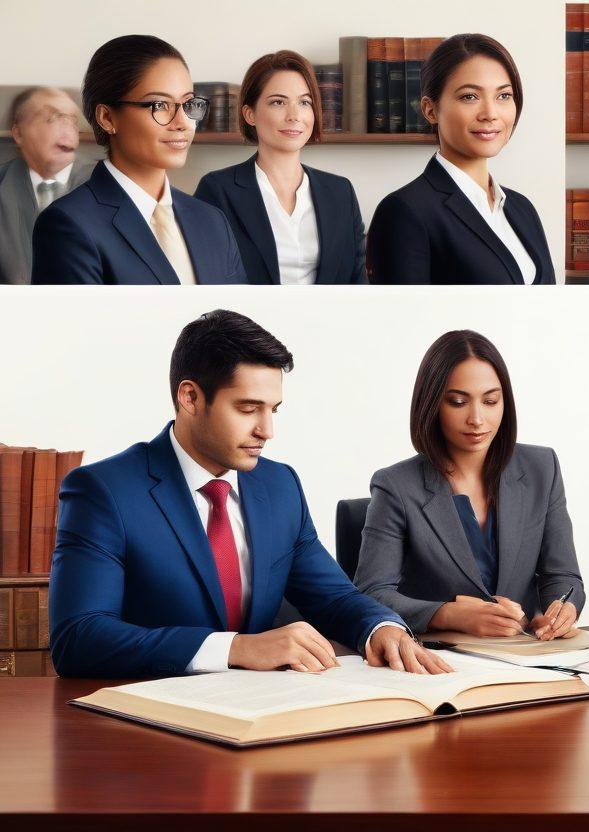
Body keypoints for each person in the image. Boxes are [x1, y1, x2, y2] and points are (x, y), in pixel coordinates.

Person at [49, 310, 451, 678]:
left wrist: (381, 628)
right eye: (247, 408)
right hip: (149, 725)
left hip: (260, 718)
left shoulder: (280, 487)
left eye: (273, 409)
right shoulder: (103, 492)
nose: (266, 430)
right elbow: (78, 638)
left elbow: (332, 597)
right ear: (190, 398)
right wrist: (236, 648)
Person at [355, 330, 584, 636]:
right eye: (458, 402)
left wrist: (559, 609)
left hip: (524, 657)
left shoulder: (542, 468)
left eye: (490, 401)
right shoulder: (395, 486)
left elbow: (562, 574)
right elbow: (371, 593)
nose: (477, 419)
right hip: (438, 659)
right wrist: (448, 615)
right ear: (432, 403)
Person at [30, 35, 245, 285]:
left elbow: (239, 320)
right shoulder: (69, 224)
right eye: (159, 104)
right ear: (107, 118)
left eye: (188, 103)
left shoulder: (212, 221)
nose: (182, 123)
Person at [366, 34, 554, 284]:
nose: (490, 113)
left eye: (503, 96)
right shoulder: (405, 211)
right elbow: (404, 320)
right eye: (470, 97)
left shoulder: (522, 208)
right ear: (430, 109)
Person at [195, 51, 366, 284]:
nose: (294, 116)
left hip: (328, 320)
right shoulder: (218, 190)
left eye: (304, 102)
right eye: (278, 102)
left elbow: (357, 285)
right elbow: (207, 281)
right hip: (248, 320)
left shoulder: (340, 192)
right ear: (250, 114)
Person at [0, 87, 94, 284]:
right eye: (53, 117)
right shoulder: (4, 182)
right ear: (18, 132)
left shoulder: (108, 185)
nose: (68, 127)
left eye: (72, 120)